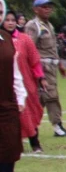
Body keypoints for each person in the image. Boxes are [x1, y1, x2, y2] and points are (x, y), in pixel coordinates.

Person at [25, 0, 66, 139]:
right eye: (44, 6)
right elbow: (30, 49)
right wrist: (37, 73)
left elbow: (52, 48)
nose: (48, 9)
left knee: (46, 98)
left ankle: (41, 125)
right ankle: (51, 126)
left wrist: (59, 64)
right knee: (48, 97)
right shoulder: (33, 26)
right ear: (36, 9)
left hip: (51, 67)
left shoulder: (49, 25)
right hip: (41, 66)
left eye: (49, 7)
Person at [0, 0, 28, 172]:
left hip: (7, 102)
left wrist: (20, 97)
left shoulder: (7, 39)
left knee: (9, 145)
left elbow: (15, 72)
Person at [4, 11, 43, 152]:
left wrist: (41, 78)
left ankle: (35, 143)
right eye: (7, 19)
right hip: (5, 85)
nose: (10, 22)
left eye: (12, 20)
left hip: (25, 83)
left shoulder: (24, 39)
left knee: (29, 113)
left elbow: (35, 61)